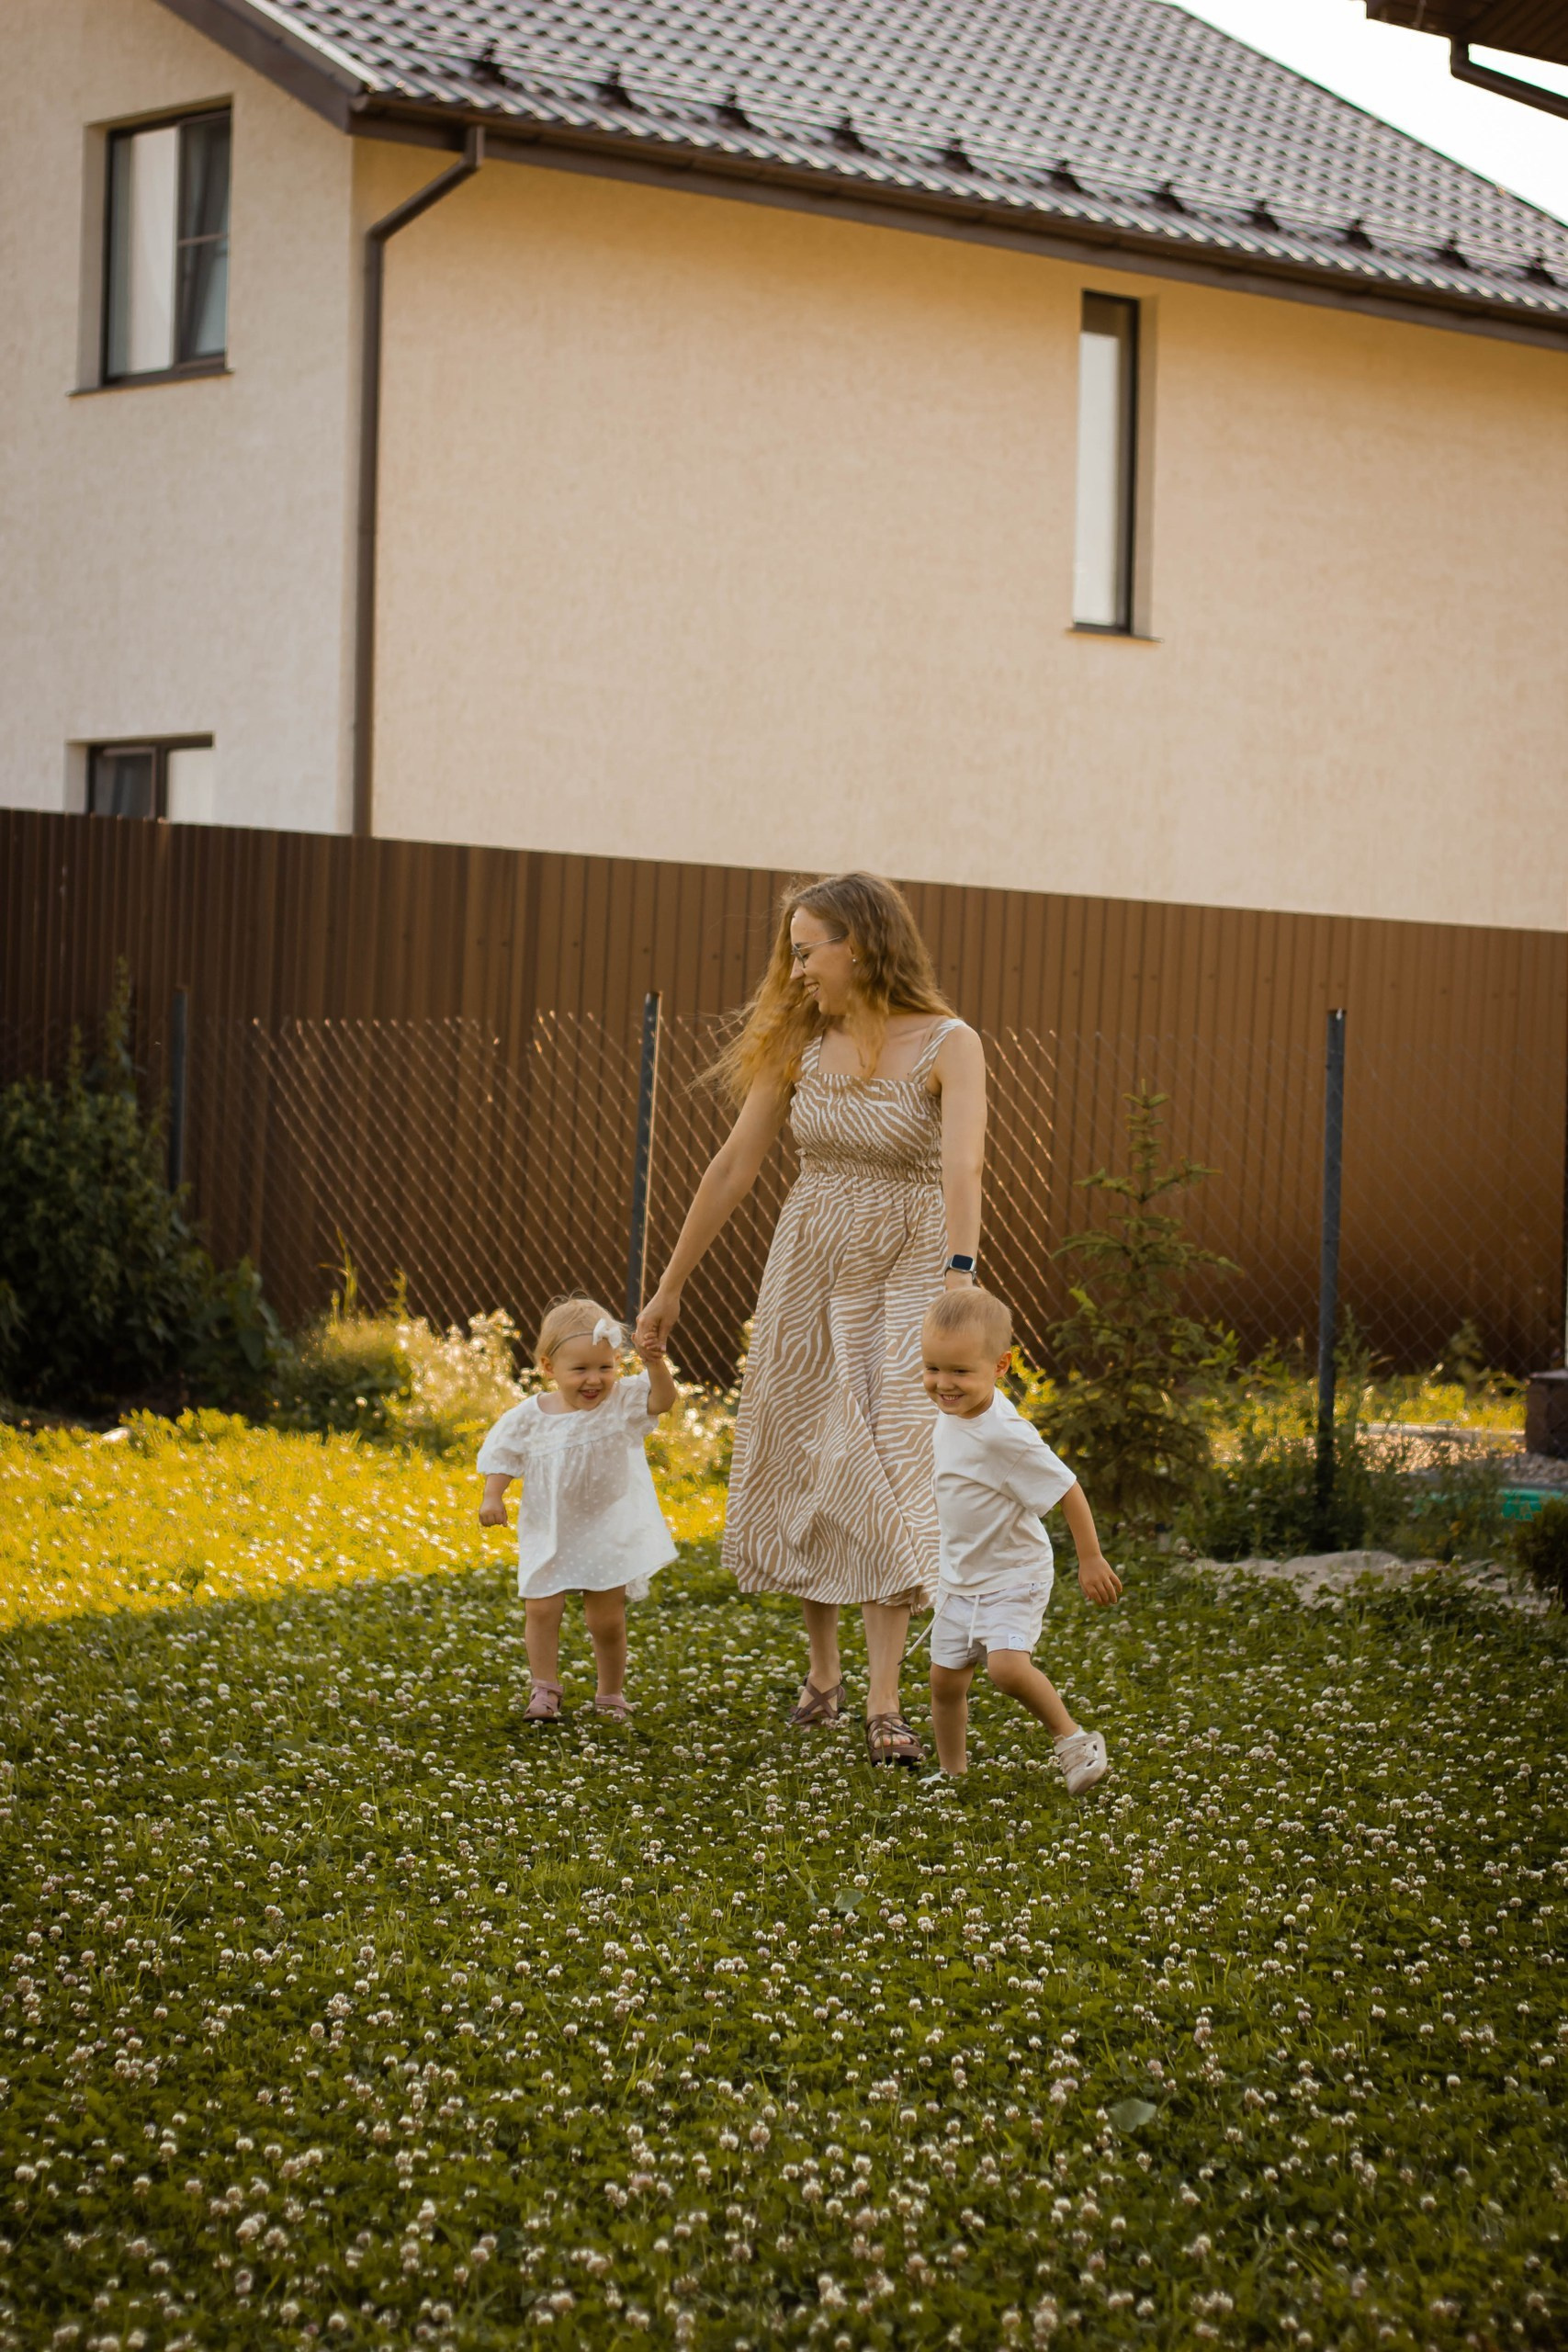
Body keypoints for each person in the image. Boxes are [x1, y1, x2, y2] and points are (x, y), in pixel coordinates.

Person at [636, 872, 987, 1767]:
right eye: (790, 952)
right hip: (810, 1267)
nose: (793, 971)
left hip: (907, 1273)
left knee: (885, 1464)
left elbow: (963, 1171)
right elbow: (732, 1168)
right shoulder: (800, 1040)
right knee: (810, 1458)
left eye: (806, 951)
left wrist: (959, 1279)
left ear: (860, 944)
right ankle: (823, 1673)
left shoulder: (950, 1043)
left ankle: (882, 1703)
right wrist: (670, 1284)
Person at [920, 1286, 1122, 1787]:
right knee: (945, 1682)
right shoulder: (950, 1413)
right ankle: (952, 1775)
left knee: (1007, 1670)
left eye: (960, 1372)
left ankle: (1075, 1742)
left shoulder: (1005, 1434)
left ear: (1001, 1366)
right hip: (960, 1577)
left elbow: (1066, 1487)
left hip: (1014, 1574)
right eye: (932, 1368)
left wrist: (1091, 1558)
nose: (943, 1383)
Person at [477, 1295, 677, 1722]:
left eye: (605, 1368)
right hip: (550, 1529)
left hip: (608, 1529)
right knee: (541, 1609)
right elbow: (504, 1455)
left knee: (605, 1619)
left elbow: (662, 1402)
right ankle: (545, 1688)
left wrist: (654, 1364)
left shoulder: (621, 1403)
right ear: (549, 1368)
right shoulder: (529, 1416)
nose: (594, 1380)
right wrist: (493, 1495)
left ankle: (610, 1693)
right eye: (580, 1369)